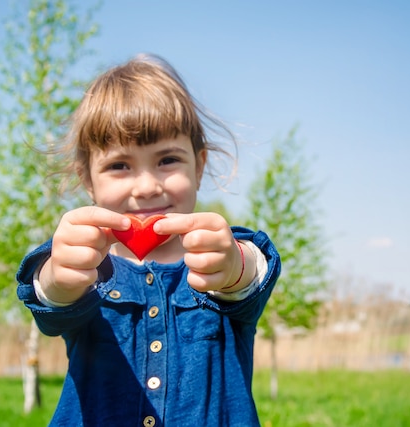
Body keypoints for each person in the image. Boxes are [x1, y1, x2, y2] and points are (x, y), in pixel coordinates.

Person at [16, 54, 281, 427]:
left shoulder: (219, 265)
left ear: (199, 166)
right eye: (119, 166)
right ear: (88, 180)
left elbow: (253, 270)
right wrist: (57, 278)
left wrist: (235, 266)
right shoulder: (87, 269)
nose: (147, 187)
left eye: (167, 160)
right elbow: (50, 301)